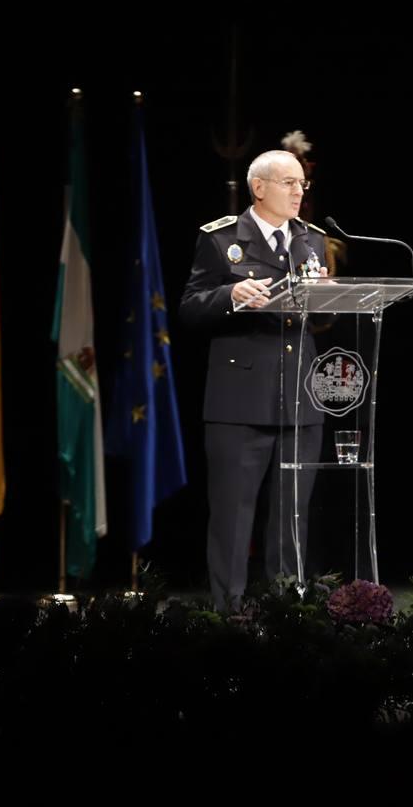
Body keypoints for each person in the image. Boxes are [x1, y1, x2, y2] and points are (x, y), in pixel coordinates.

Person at [179, 149, 331, 610]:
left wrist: (326, 300)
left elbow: (318, 320)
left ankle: (288, 611)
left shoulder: (313, 240)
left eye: (302, 183)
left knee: (292, 519)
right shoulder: (222, 238)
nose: (299, 191)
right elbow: (189, 308)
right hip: (239, 401)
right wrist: (229, 293)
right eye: (289, 183)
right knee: (232, 517)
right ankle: (229, 616)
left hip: (301, 398)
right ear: (259, 187)